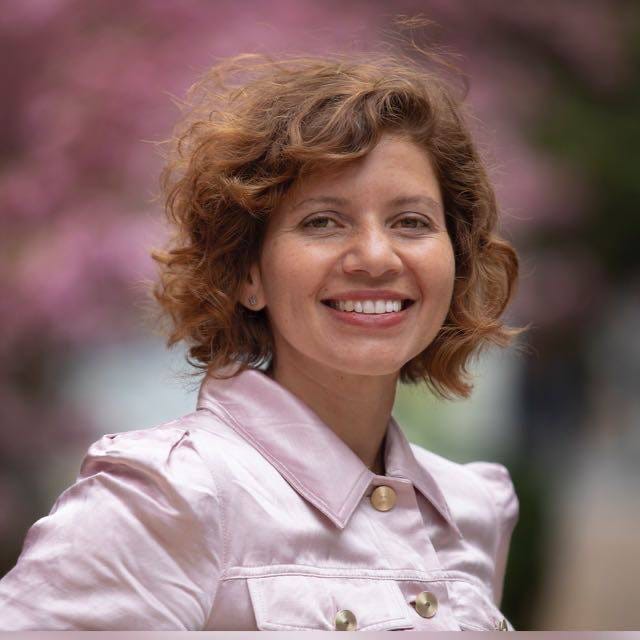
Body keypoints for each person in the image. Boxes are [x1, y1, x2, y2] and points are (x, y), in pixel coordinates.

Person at [0, 42, 527, 630]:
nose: (377, 256)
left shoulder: (474, 510)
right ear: (249, 273)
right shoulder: (165, 498)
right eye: (322, 221)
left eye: (412, 222)